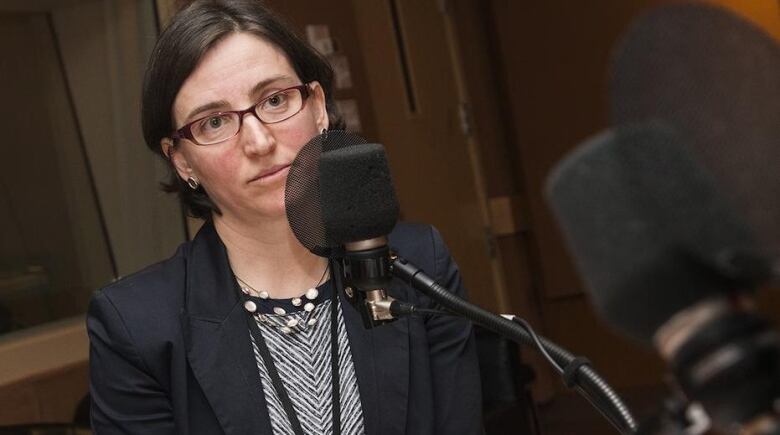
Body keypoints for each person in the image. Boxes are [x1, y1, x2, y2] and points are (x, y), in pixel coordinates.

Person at [87, 1, 482, 434]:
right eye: (214, 122)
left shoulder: (418, 266)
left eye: (274, 100)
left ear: (316, 107)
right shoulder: (136, 325)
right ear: (180, 160)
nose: (258, 141)